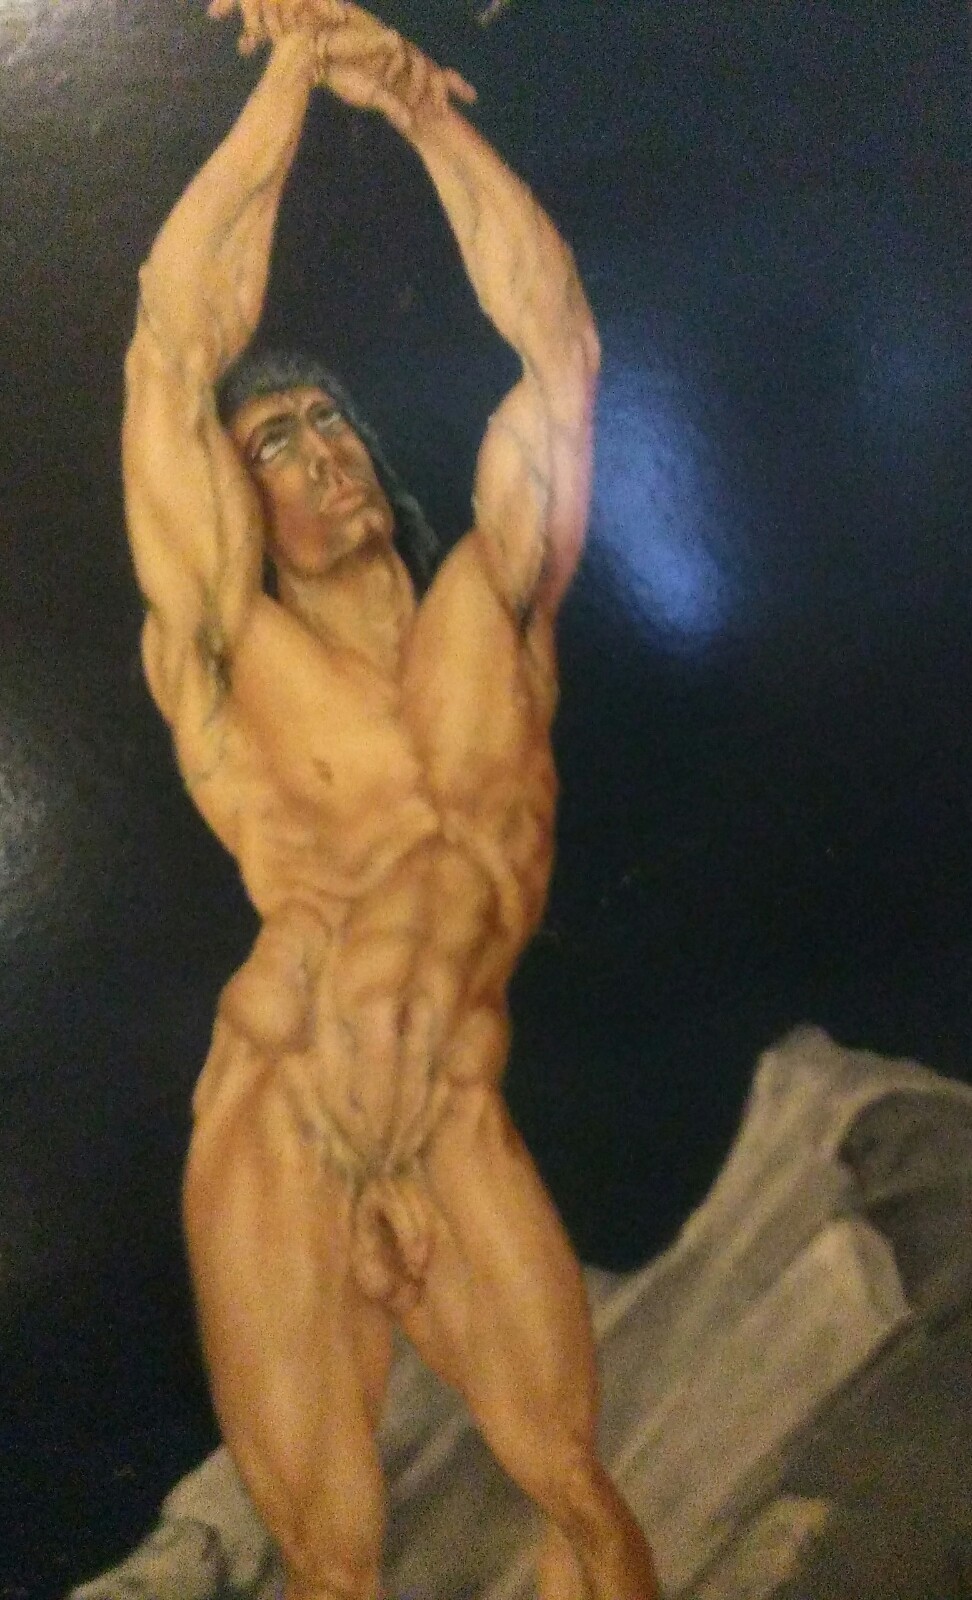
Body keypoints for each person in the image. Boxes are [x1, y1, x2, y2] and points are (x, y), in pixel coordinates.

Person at [122, 3, 659, 1597]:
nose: (319, 451)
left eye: (328, 422)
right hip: (282, 1109)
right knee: (333, 1558)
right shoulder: (230, 656)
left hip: (451, 1107)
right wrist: (291, 77)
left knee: (576, 1491)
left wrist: (418, 106)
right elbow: (169, 345)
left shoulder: (495, 611)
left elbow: (560, 350)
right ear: (237, 502)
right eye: (273, 444)